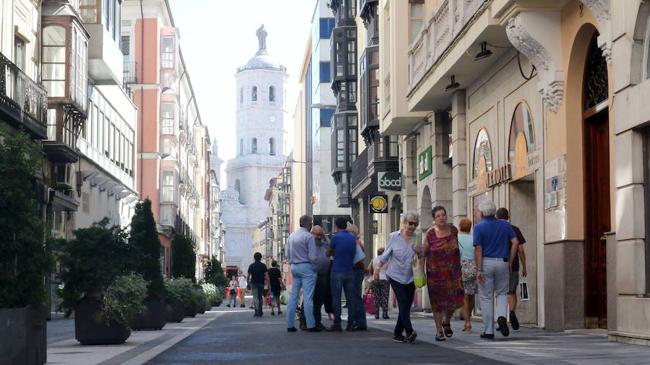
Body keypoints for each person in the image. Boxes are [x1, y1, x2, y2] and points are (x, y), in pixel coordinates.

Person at [473, 200, 519, 339]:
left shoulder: (479, 227)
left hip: (486, 262)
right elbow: (515, 242)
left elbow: (478, 249)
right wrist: (510, 261)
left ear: (481, 213)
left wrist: (479, 269)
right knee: (502, 293)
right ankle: (501, 317)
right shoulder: (504, 225)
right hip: (502, 262)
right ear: (494, 212)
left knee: (486, 297)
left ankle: (488, 331)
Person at [376, 211, 420, 344]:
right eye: (410, 223)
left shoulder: (418, 238)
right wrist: (377, 269)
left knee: (406, 305)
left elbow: (422, 256)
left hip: (410, 276)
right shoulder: (394, 237)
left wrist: (420, 252)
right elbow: (386, 255)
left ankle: (397, 333)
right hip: (395, 275)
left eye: (415, 224)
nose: (412, 226)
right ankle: (409, 331)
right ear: (404, 223)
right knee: (402, 300)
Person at [422, 206, 464, 341]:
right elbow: (423, 253)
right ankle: (439, 330)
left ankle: (447, 321)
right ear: (434, 219)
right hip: (435, 274)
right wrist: (421, 272)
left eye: (443, 215)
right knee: (437, 303)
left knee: (455, 301)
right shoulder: (430, 234)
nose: (441, 217)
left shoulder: (453, 230)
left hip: (453, 273)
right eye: (438, 216)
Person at [285, 215, 321, 332]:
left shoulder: (291, 236)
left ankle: (290, 325)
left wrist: (292, 264)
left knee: (293, 297)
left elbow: (288, 255)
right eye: (311, 223)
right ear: (308, 224)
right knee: (308, 297)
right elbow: (312, 256)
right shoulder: (308, 236)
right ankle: (311, 325)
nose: (311, 225)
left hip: (295, 267)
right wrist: (314, 268)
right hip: (307, 267)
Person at [496, 208, 527, 331]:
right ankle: (512, 312)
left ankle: (502, 318)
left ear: (497, 217)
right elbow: (521, 249)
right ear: (508, 217)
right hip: (513, 265)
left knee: (501, 294)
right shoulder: (515, 229)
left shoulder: (497, 230)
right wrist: (524, 267)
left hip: (499, 264)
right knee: (512, 291)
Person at [326, 217, 357, 332]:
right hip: (349, 270)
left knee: (336, 298)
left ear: (336, 226)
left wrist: (332, 251)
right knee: (350, 298)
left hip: (337, 270)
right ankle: (350, 324)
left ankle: (337, 324)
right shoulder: (352, 237)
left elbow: (328, 253)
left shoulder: (335, 238)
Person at [457, 218, 477, 332]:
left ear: (460, 227)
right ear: (470, 227)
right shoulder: (474, 238)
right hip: (473, 267)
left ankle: (467, 321)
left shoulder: (457, 238)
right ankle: (468, 318)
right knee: (471, 294)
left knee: (464, 296)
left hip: (462, 267)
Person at [346, 223, 367, 331]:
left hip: (355, 270)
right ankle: (359, 321)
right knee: (356, 295)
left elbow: (358, 259)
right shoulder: (358, 242)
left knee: (355, 296)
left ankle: (359, 321)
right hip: (358, 270)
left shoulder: (355, 242)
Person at [311, 225, 331, 330]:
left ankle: (317, 322)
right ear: (312, 234)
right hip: (312, 275)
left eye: (320, 234)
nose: (319, 237)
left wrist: (325, 236)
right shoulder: (309, 244)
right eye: (317, 234)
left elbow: (333, 247)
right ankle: (309, 322)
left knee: (319, 301)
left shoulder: (324, 244)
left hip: (323, 275)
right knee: (311, 300)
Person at [247, 252, 269, 317]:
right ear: (261, 258)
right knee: (260, 297)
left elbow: (248, 275)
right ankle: (260, 310)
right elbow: (267, 276)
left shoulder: (251, 265)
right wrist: (268, 283)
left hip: (253, 283)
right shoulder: (263, 265)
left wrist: (248, 283)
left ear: (254, 258)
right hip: (261, 283)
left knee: (255, 297)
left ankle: (256, 311)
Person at [369, 247, 389, 319]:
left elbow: (369, 269)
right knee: (385, 297)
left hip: (375, 279)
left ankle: (376, 314)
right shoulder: (387, 260)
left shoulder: (374, 259)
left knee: (376, 297)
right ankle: (384, 314)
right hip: (385, 279)